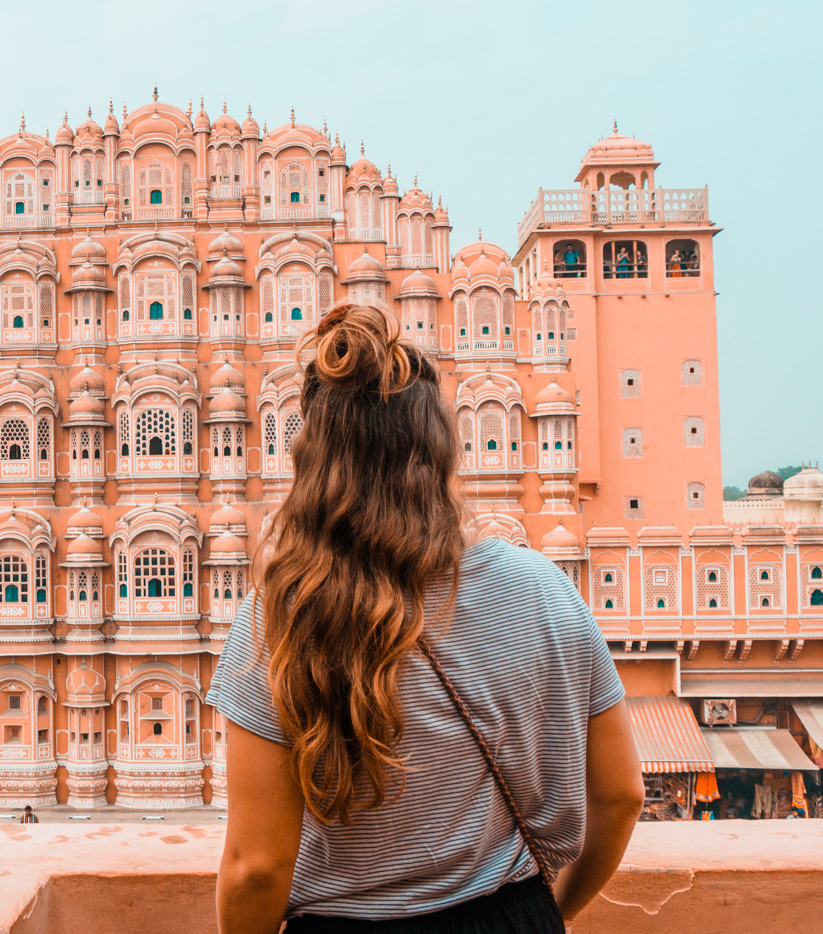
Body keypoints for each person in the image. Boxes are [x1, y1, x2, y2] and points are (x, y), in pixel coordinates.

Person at [208, 304, 645, 933]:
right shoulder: (542, 587)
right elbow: (621, 796)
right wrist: (547, 912)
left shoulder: (283, 617)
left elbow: (258, 867)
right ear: (441, 449)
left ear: (312, 461)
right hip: (510, 915)